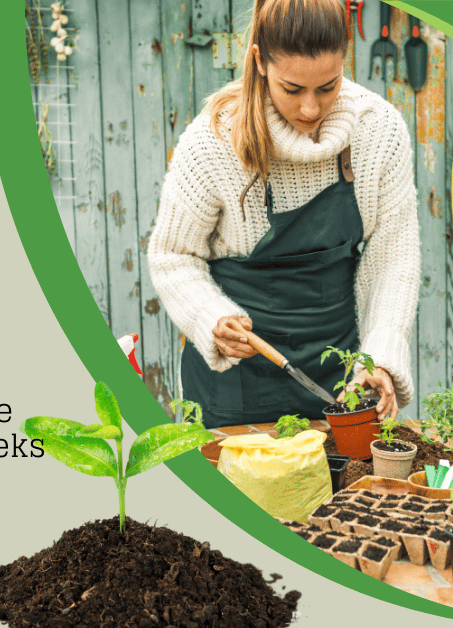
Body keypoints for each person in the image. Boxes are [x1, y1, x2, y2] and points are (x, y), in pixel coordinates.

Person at [147, 0, 419, 429]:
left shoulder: (378, 130)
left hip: (341, 383)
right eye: (292, 89)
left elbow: (393, 254)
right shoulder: (213, 141)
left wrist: (378, 355)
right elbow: (172, 256)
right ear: (259, 62)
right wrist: (211, 317)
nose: (310, 109)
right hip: (235, 388)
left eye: (327, 87)